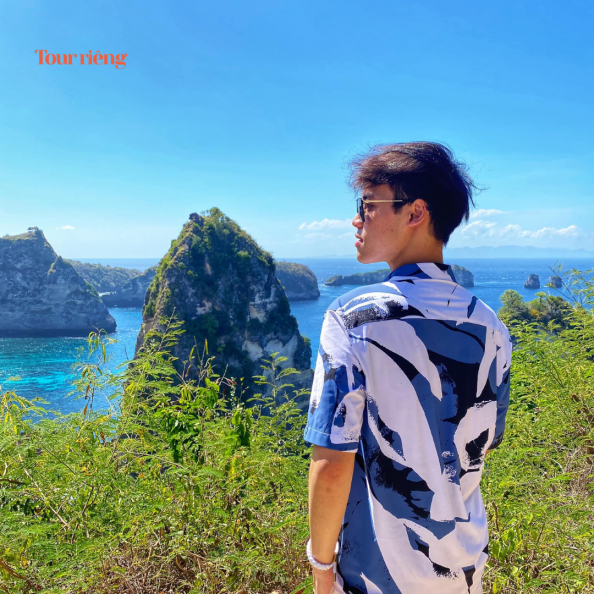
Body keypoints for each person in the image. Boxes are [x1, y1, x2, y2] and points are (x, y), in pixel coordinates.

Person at [304, 142, 512, 594]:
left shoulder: (353, 319)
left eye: (367, 205)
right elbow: (478, 447)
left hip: (378, 575)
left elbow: (333, 463)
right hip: (463, 569)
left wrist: (321, 568)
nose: (356, 219)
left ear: (415, 212)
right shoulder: (492, 327)